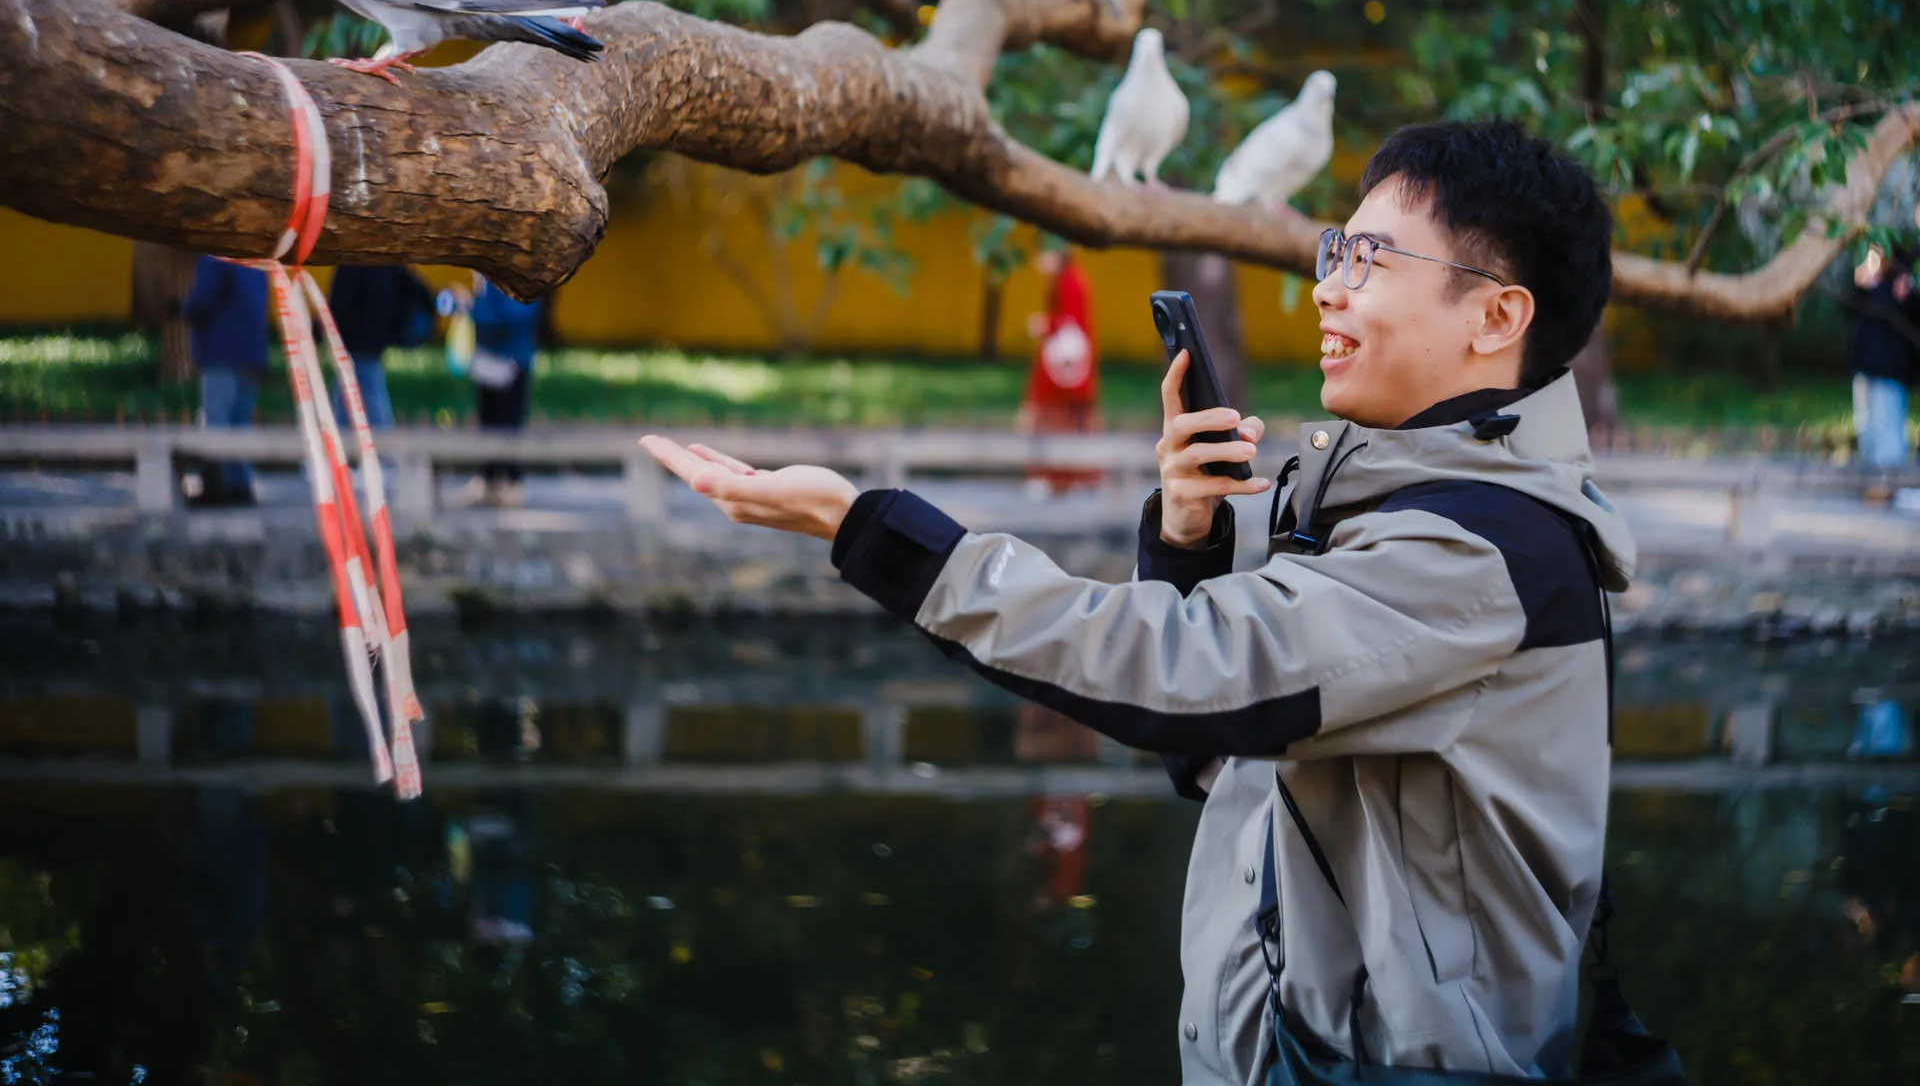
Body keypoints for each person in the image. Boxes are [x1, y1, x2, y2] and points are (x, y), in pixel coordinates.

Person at [641, 120, 1645, 1080]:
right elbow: (1225, 758)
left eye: (1371, 262)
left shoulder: (1478, 550)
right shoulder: (1401, 509)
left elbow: (1188, 678)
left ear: (1496, 316)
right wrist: (1187, 542)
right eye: (1335, 252)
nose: (1327, 288)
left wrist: (867, 529)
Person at [180, 255, 269, 505]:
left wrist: (183, 307)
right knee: (241, 421)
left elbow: (203, 300)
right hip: (252, 352)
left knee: (217, 419)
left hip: (221, 351)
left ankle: (216, 486)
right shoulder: (258, 261)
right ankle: (240, 483)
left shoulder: (215, 258)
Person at [1019, 246, 1101, 494]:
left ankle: (1060, 478)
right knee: (1064, 420)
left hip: (1063, 372)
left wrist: (1045, 325)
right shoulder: (1066, 280)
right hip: (1065, 369)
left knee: (1058, 420)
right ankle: (1066, 477)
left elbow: (1070, 323)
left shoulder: (1070, 282)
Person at [467, 274, 543, 506]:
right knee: (488, 422)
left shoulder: (519, 276)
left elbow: (514, 316)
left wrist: (473, 308)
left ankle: (511, 481)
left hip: (511, 358)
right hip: (489, 358)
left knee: (509, 424)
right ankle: (488, 479)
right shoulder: (485, 279)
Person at [326, 264, 434, 428]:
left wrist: (325, 331)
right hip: (373, 342)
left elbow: (340, 302)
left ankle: (368, 443)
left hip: (355, 342)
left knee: (364, 404)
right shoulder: (389, 262)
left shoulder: (352, 262)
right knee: (358, 397)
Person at [1844, 242, 1917, 468]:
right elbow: (1847, 311)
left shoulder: (1902, 284)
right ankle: (1872, 482)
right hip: (1865, 371)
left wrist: (1907, 294)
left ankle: (1892, 481)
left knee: (1888, 436)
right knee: (1867, 433)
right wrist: (1860, 285)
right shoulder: (1866, 287)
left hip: (1890, 373)